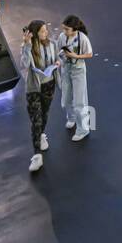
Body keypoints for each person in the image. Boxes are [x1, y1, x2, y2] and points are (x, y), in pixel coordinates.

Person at [19, 20, 61, 173]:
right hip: (34, 88)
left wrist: (57, 63)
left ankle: (42, 134)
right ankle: (37, 155)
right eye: (42, 31)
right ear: (35, 33)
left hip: (49, 84)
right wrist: (27, 45)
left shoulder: (52, 44)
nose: (46, 33)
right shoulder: (27, 47)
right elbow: (24, 65)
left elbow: (58, 59)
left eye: (46, 30)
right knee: (36, 120)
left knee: (44, 114)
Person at [58, 14, 94, 142]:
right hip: (66, 69)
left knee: (80, 102)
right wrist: (61, 58)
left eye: (67, 29)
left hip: (78, 71)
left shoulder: (82, 38)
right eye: (64, 28)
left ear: (74, 29)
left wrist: (75, 56)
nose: (64, 32)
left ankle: (83, 129)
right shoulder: (62, 37)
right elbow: (59, 52)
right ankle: (71, 117)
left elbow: (89, 54)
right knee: (66, 98)